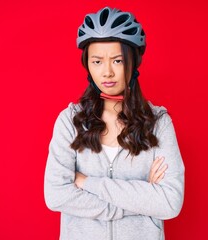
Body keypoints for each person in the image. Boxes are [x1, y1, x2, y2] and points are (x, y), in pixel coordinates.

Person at [44, 6, 185, 240]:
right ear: (87, 65)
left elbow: (170, 202)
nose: (107, 72)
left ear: (133, 63)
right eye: (97, 61)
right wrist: (141, 202)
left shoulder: (159, 123)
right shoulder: (70, 122)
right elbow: (56, 195)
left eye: (117, 61)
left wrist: (86, 182)